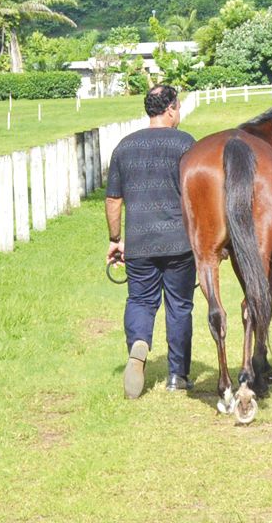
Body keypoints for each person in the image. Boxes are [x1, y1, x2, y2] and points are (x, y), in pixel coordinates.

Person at [105, 84, 196, 397]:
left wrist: (116, 239)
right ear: (170, 108)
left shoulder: (124, 147)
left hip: (139, 242)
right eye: (178, 107)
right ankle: (177, 376)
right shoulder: (186, 144)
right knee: (180, 306)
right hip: (180, 243)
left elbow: (113, 199)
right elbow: (197, 196)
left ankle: (139, 343)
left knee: (141, 301)